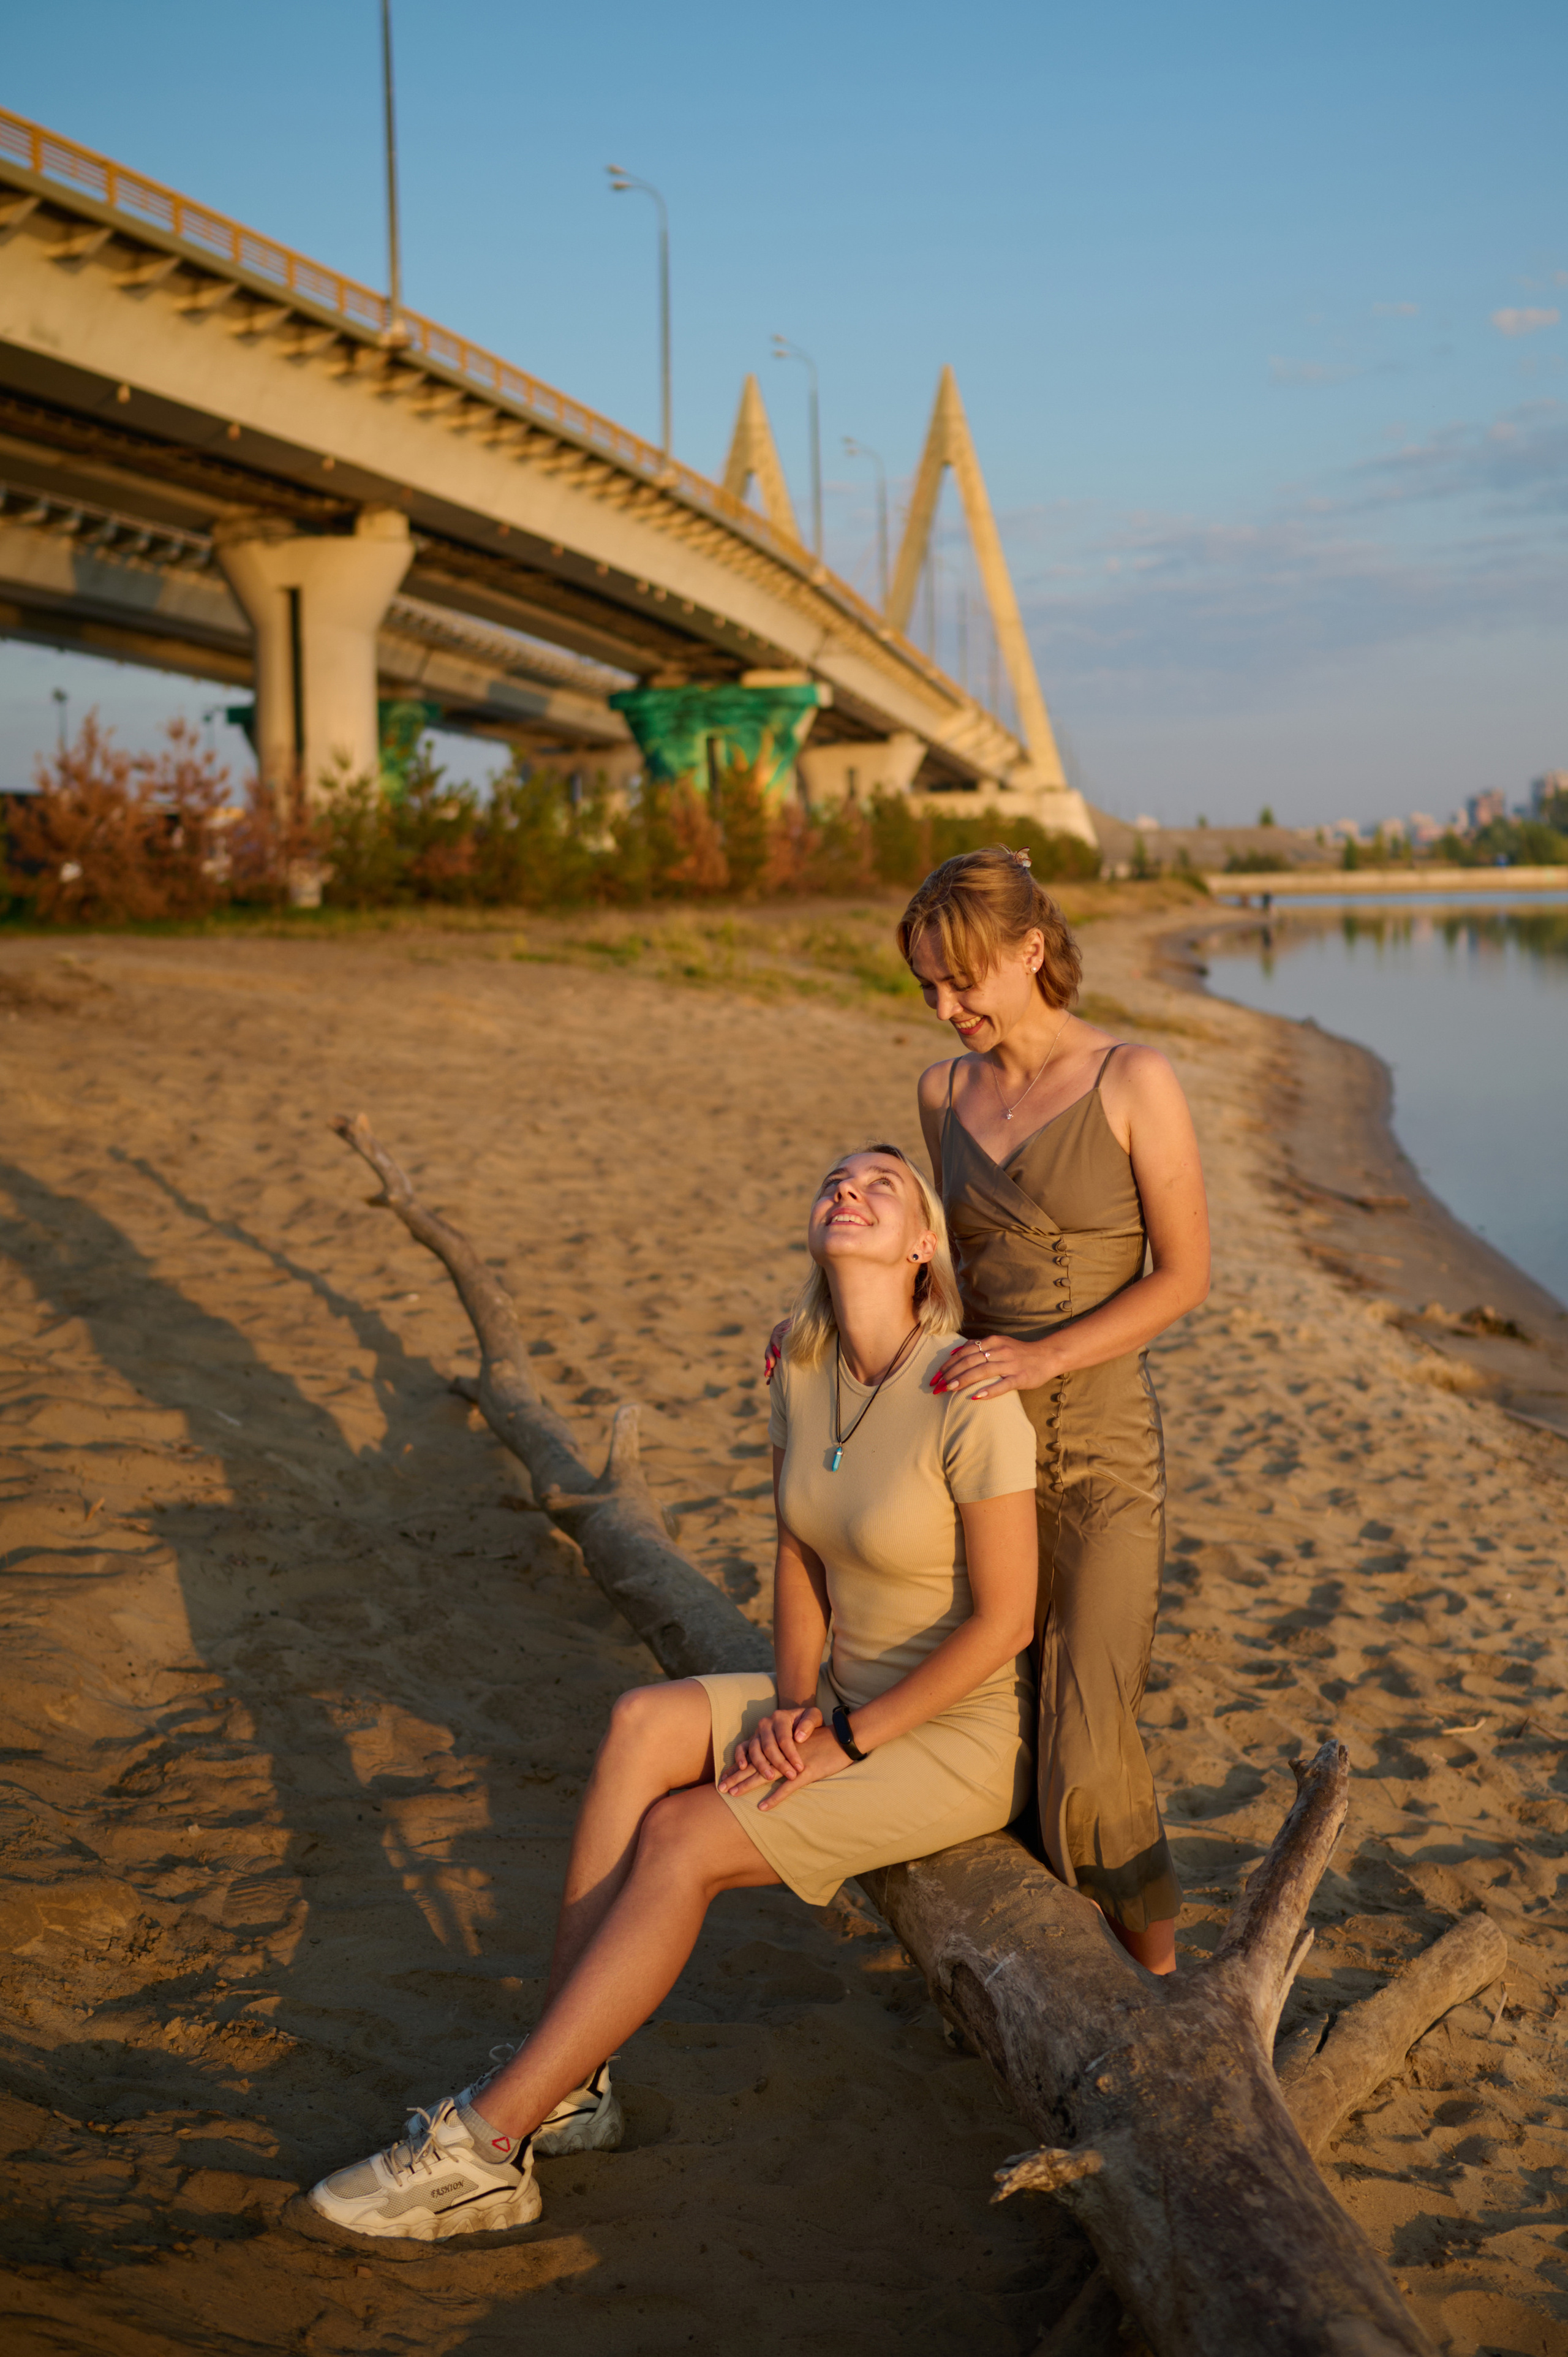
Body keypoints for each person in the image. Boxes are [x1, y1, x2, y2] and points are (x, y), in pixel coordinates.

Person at [295, 1143, 1038, 2249]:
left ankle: (489, 2150)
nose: (851, 1189)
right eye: (837, 1178)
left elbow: (1007, 1624)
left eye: (884, 1184)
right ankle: (576, 2082)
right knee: (643, 1721)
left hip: (953, 1732)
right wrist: (796, 1706)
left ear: (924, 1246)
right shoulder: (801, 1358)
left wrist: (843, 1738)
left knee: (687, 1835)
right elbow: (795, 1552)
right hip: (837, 1694)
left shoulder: (968, 1391)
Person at [900, 844, 1210, 1976]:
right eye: (929, 986)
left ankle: (1162, 1983)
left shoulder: (1135, 1077)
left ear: (1032, 952)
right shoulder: (941, 1091)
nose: (947, 1007)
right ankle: (1060, 1977)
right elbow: (943, 1281)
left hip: (1104, 1452)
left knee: (1090, 1734)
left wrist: (1043, 1360)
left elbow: (1183, 1276)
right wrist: (831, 1332)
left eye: (963, 980)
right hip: (981, 1454)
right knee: (1006, 1725)